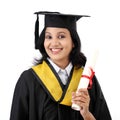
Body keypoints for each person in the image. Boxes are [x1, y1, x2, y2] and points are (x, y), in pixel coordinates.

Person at [10, 11, 112, 120]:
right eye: (48, 37)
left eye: (61, 36)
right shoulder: (29, 80)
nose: (54, 43)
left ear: (73, 42)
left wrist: (86, 114)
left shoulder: (87, 81)